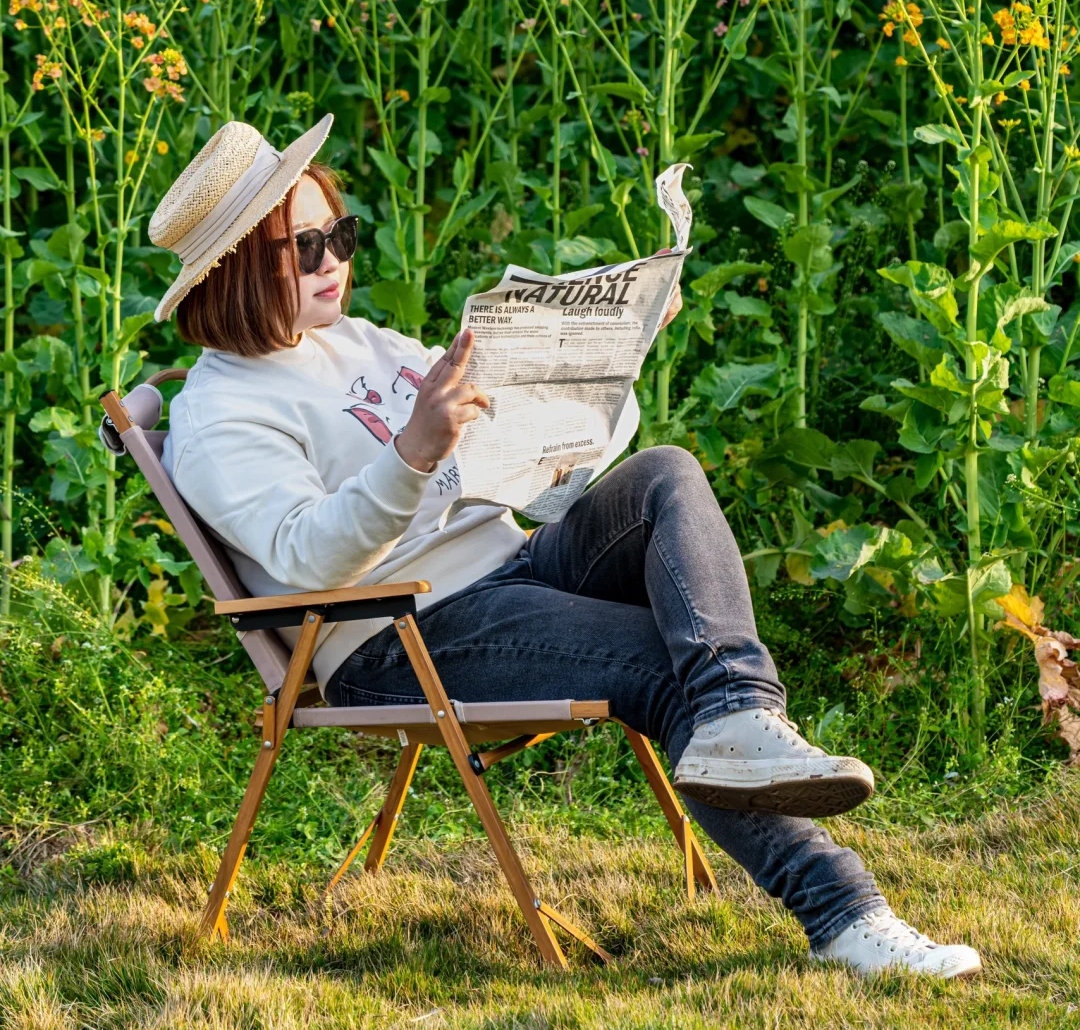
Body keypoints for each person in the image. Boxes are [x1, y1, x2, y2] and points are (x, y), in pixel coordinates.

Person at [152, 114, 982, 981]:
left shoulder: (361, 343)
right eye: (304, 245)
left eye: (341, 233)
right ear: (237, 269)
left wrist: (610, 361)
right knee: (664, 664)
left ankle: (740, 711)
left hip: (507, 561)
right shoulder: (217, 415)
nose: (333, 260)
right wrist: (412, 452)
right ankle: (847, 914)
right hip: (404, 633)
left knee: (664, 473)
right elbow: (309, 556)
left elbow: (520, 449)